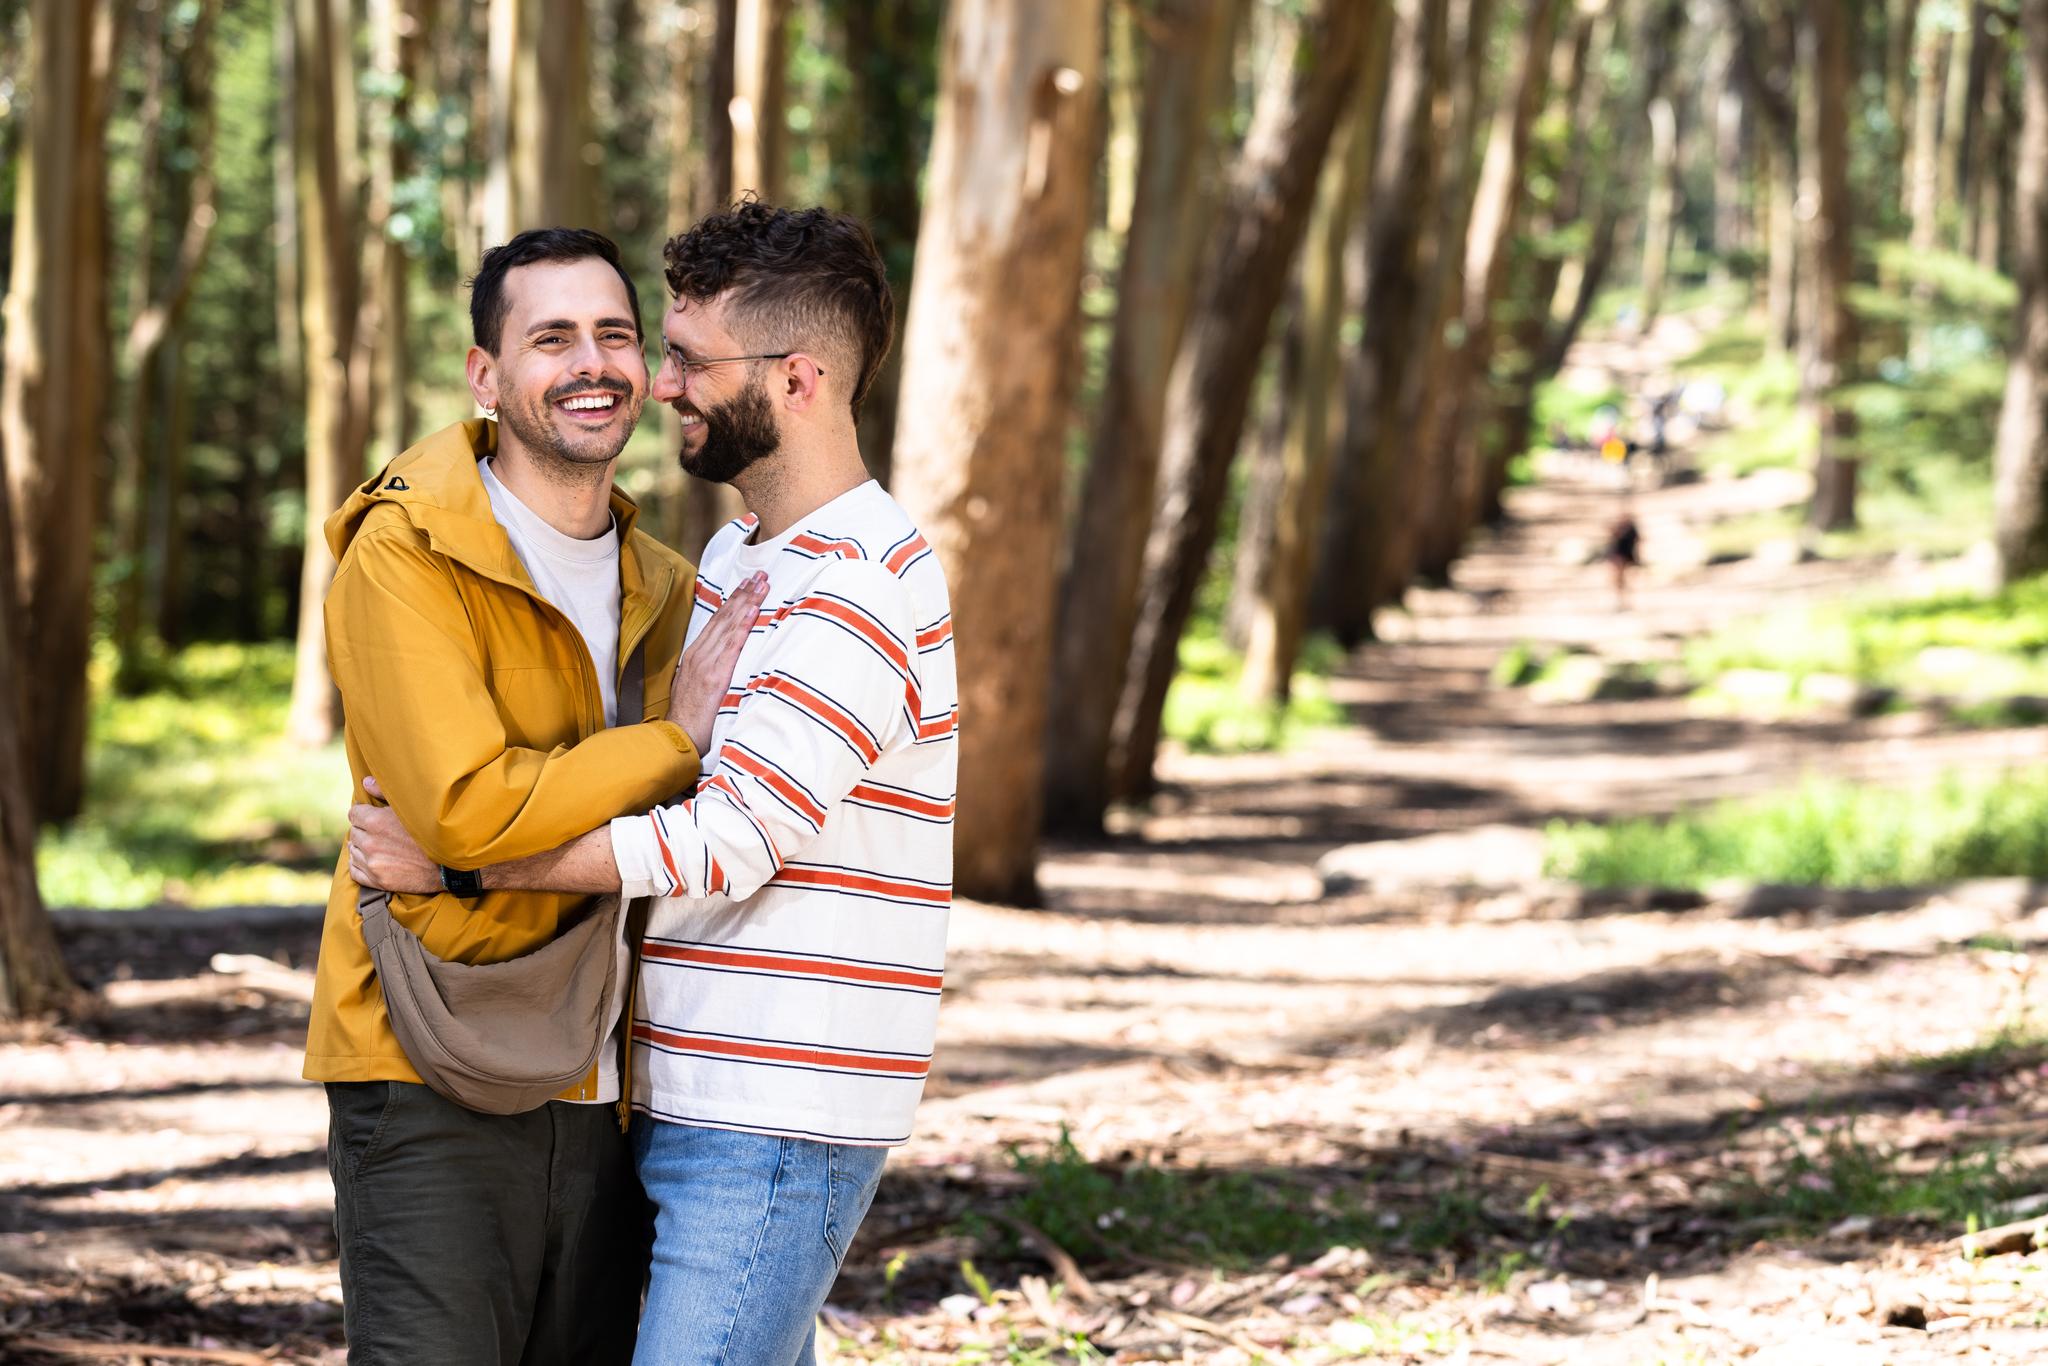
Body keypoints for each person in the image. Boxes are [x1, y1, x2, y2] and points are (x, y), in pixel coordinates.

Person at [348, 201, 959, 1365]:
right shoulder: (736, 561)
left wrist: (461, 861)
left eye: (685, 357)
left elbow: (726, 838)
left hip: (778, 1108)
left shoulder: (865, 582)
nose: (662, 386)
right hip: (677, 1084)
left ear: (798, 380)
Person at [304, 226, 767, 1365]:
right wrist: (671, 740)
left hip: (617, 1084)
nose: (591, 363)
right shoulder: (401, 550)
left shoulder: (666, 582)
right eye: (550, 337)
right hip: (430, 1063)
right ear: (485, 374)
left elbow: (707, 832)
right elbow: (463, 804)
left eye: (614, 334)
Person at [1605, 500, 1642, 610]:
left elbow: (1638, 541)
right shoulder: (1618, 526)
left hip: (1627, 556)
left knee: (1627, 580)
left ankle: (1626, 602)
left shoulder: (1632, 528)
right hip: (1618, 556)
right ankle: (1621, 602)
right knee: (1617, 580)